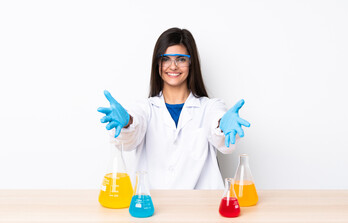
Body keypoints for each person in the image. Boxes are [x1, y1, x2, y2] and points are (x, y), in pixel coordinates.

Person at [97, 27, 250, 189]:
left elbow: (220, 132)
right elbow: (130, 135)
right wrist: (127, 121)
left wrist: (222, 125)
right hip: (153, 207)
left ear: (191, 63)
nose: (173, 66)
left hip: (202, 207)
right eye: (166, 59)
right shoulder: (146, 108)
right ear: (158, 64)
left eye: (181, 59)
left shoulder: (209, 107)